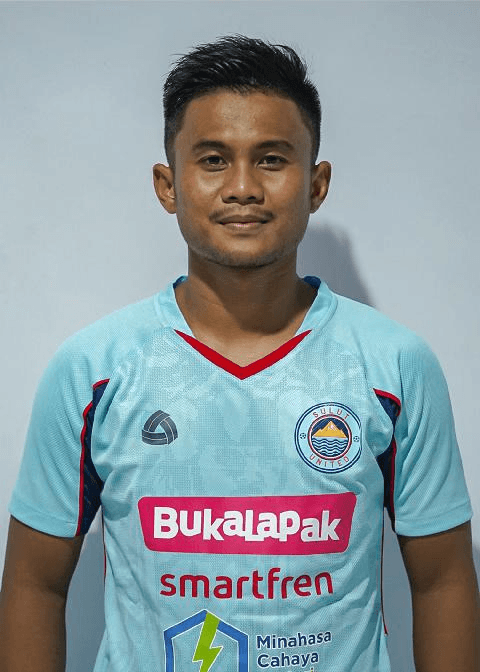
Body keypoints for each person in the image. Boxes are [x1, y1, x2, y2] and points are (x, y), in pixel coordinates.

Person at [0, 33, 478, 672]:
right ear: (168, 185)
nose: (244, 187)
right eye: (213, 160)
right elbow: (33, 583)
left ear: (317, 184)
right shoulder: (93, 371)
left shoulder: (394, 366)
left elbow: (444, 580)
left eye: (272, 159)